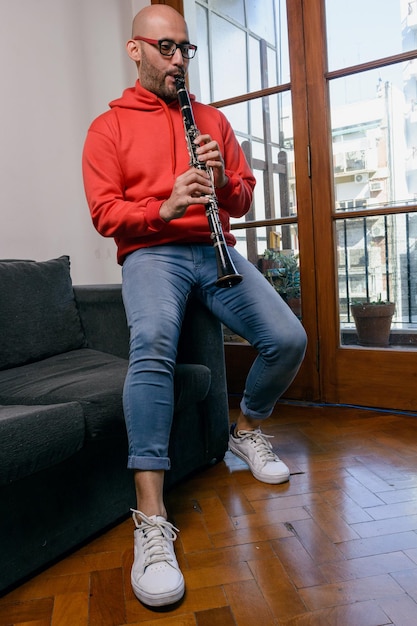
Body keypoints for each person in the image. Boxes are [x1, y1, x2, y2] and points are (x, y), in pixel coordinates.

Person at [82, 4, 307, 609]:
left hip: (213, 251)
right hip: (152, 254)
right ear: (136, 50)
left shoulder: (209, 119)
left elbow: (242, 198)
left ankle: (248, 429)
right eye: (165, 48)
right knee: (152, 342)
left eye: (186, 48)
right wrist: (164, 203)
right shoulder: (109, 127)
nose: (178, 59)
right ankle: (151, 518)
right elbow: (105, 214)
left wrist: (221, 178)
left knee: (288, 338)